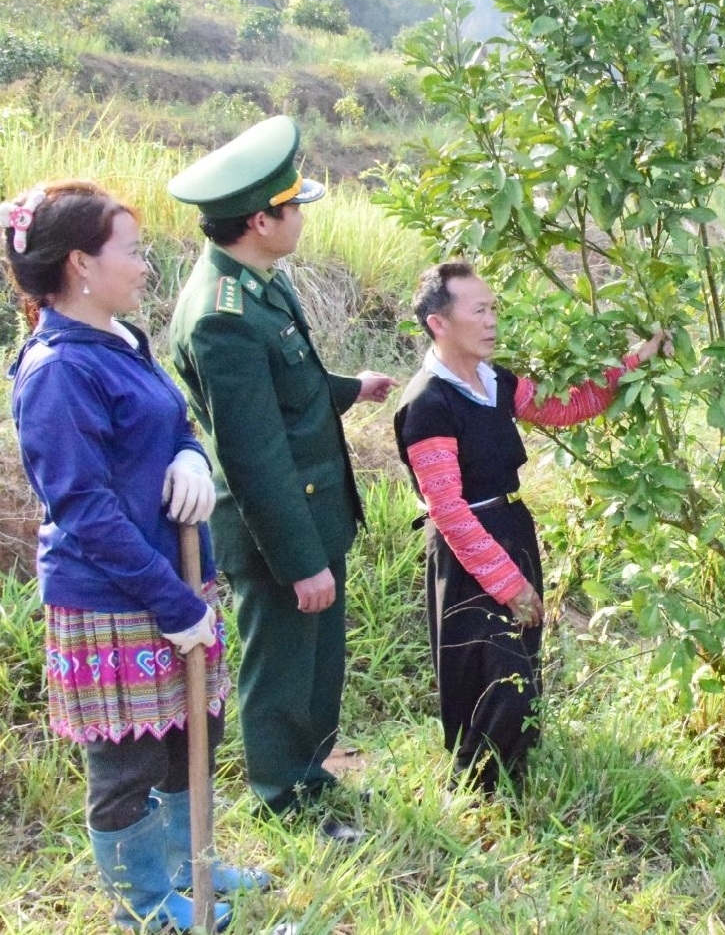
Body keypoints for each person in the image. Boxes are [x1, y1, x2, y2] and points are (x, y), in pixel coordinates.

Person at [4, 181, 268, 931]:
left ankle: (193, 867)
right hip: (116, 595)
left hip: (168, 580)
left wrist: (189, 455)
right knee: (128, 763)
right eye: (133, 250)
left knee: (192, 729)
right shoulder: (57, 370)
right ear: (83, 264)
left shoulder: (122, 340)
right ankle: (146, 906)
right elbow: (84, 511)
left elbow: (171, 418)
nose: (146, 266)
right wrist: (176, 604)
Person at [166, 116, 398, 827]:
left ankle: (312, 779)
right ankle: (285, 798)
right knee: (282, 675)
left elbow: (288, 385)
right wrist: (300, 563)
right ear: (262, 220)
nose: (302, 217)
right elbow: (253, 451)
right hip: (278, 528)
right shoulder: (221, 315)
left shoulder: (258, 282)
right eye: (294, 207)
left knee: (317, 667)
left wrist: (350, 389)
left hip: (314, 509)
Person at [393, 262, 669, 795]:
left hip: (508, 525)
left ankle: (514, 778)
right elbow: (448, 509)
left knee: (521, 659)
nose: (493, 320)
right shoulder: (429, 402)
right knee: (488, 668)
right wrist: (507, 582)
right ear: (439, 324)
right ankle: (479, 793)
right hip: (469, 545)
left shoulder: (494, 381)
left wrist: (634, 361)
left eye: (494, 307)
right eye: (480, 310)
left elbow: (566, 406)